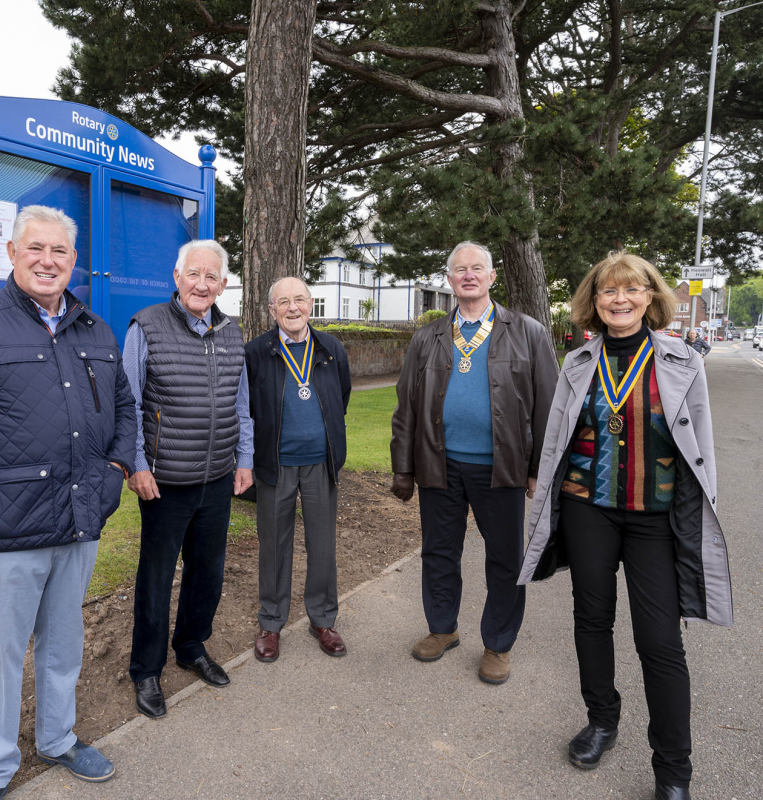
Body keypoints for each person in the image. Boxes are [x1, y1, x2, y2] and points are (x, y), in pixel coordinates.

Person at [0, 206, 136, 800]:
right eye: (35, 249)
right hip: (4, 527)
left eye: (59, 252)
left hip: (78, 519)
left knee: (64, 643)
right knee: (1, 655)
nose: (47, 261)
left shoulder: (95, 329)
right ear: (12, 254)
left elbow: (125, 410)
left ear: (72, 260)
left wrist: (115, 469)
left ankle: (59, 740)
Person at [518, 252, 733, 800]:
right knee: (591, 619)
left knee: (659, 641)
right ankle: (602, 720)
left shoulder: (683, 359)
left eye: (632, 290)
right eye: (609, 291)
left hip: (655, 517)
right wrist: (542, 492)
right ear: (594, 300)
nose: (620, 299)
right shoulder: (576, 363)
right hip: (588, 507)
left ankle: (673, 768)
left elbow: (700, 442)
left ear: (650, 298)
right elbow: (556, 439)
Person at [390, 241, 558, 684]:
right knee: (439, 552)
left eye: (476, 268)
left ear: (491, 277)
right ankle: (442, 629)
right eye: (459, 269)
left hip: (500, 469)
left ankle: (498, 644)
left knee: (505, 559)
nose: (468, 275)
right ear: (449, 280)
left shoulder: (528, 332)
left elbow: (549, 407)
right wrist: (403, 468)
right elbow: (406, 405)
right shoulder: (427, 337)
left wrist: (539, 468)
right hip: (438, 466)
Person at [123, 239, 253, 719]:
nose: (202, 284)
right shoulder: (147, 325)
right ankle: (147, 669)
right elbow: (128, 402)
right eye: (193, 274)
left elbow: (242, 406)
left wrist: (245, 458)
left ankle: (192, 645)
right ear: (176, 277)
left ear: (222, 284)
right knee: (156, 577)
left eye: (212, 277)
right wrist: (137, 463)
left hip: (217, 476)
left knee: (208, 571)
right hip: (165, 479)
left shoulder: (230, 330)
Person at [244, 276, 351, 662]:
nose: (293, 308)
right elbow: (247, 408)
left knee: (322, 544)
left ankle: (323, 619)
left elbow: (341, 398)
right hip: (275, 464)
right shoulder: (256, 352)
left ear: (310, 304)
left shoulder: (330, 348)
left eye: (300, 300)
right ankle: (271, 623)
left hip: (320, 464)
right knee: (274, 545)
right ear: (271, 309)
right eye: (283, 301)